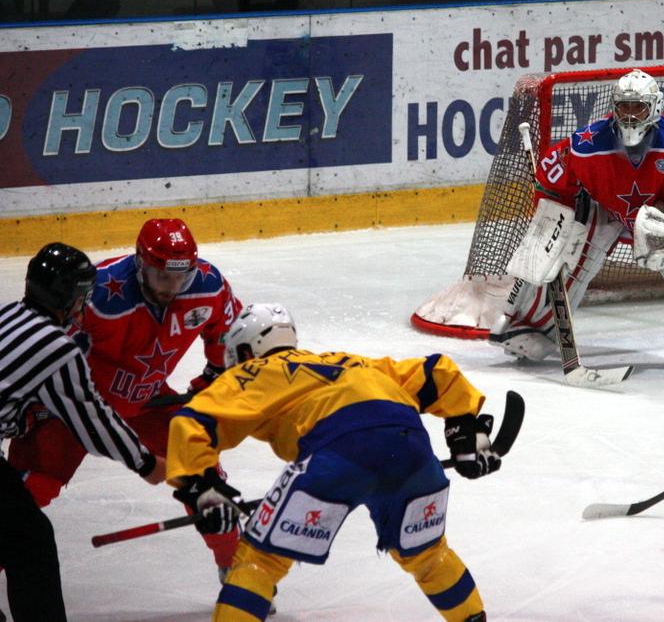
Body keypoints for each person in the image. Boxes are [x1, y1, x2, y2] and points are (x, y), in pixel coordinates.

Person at [165, 303, 502, 621]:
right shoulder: (348, 361)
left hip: (337, 452)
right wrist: (465, 430)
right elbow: (435, 372)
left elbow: (193, 420)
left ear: (245, 352)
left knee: (260, 562)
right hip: (412, 446)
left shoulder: (253, 371)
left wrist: (200, 485)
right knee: (428, 555)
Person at [7, 219, 243, 579]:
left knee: (205, 479)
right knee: (24, 494)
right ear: (139, 263)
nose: (172, 287)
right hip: (75, 404)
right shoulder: (98, 293)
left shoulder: (208, 286)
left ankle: (238, 571)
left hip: (147, 400)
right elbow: (45, 352)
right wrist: (34, 407)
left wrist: (211, 377)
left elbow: (229, 331)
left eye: (181, 277)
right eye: (162, 276)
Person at [489, 69, 664, 373]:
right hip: (604, 208)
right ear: (614, 106)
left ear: (655, 107)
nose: (630, 116)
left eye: (638, 107)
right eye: (624, 107)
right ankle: (531, 325)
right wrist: (554, 221)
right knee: (570, 239)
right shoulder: (586, 145)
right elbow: (553, 180)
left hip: (661, 212)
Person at [1, 243, 164, 622]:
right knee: (30, 539)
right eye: (81, 297)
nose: (83, 306)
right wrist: (144, 462)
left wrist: (18, 420)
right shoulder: (57, 347)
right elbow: (92, 421)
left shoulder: (10, 315)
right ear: (68, 297)